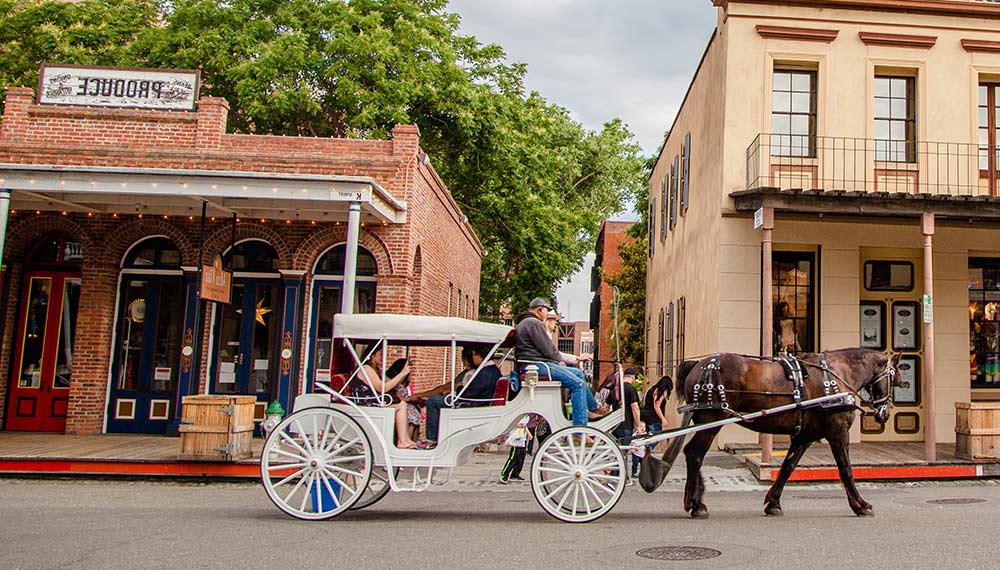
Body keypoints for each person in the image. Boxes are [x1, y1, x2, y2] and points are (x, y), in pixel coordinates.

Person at [514, 298, 606, 426]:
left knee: (578, 373)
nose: (547, 314)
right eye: (547, 310)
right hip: (538, 365)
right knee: (578, 384)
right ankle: (580, 427)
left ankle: (592, 409)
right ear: (539, 309)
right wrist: (562, 360)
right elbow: (549, 351)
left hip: (533, 365)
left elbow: (550, 351)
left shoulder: (525, 323)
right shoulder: (535, 323)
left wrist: (575, 358)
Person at [407, 345, 502, 446]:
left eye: (474, 355)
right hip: (478, 403)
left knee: (433, 401)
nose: (473, 358)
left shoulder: (484, 373)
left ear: (478, 354)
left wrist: (459, 387)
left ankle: (432, 439)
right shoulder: (492, 370)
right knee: (439, 400)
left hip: (470, 405)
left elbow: (467, 394)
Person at [355, 346, 418, 449]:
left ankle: (406, 439)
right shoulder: (366, 369)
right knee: (401, 405)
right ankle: (402, 441)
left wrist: (403, 373)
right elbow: (382, 388)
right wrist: (403, 373)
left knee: (402, 404)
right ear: (372, 355)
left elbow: (387, 384)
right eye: (381, 355)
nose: (383, 358)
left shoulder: (374, 369)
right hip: (367, 403)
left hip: (373, 401)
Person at [606, 368, 643, 480]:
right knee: (622, 451)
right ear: (632, 377)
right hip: (627, 424)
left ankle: (618, 474)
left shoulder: (616, 388)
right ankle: (616, 476)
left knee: (618, 450)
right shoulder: (630, 389)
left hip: (616, 423)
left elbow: (606, 407)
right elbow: (635, 407)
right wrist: (638, 424)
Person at [640, 375, 673, 460]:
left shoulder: (651, 389)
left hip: (645, 415)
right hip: (653, 418)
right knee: (657, 435)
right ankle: (645, 450)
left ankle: (644, 451)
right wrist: (663, 419)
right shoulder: (660, 392)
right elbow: (657, 406)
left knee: (648, 436)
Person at [499, 416, 533, 484]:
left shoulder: (526, 416)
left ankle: (515, 474)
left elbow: (525, 426)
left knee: (521, 458)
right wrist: (516, 425)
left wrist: (528, 434)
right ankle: (504, 474)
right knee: (513, 458)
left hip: (522, 438)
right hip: (515, 438)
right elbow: (509, 423)